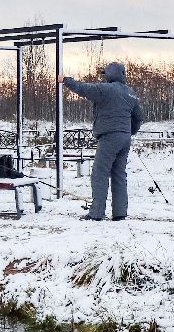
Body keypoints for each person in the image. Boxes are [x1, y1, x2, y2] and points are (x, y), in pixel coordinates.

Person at [61, 62, 143, 221]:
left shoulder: (105, 90)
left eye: (105, 74)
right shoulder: (130, 93)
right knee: (119, 174)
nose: (104, 76)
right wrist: (129, 131)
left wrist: (65, 79)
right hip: (125, 139)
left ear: (110, 74)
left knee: (100, 173)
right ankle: (120, 213)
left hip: (109, 137)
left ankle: (96, 213)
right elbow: (139, 117)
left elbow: (83, 88)